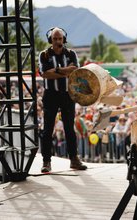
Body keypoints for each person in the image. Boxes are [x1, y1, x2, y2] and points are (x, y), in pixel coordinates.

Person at [38, 27, 87, 172]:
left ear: (64, 39)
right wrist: (64, 71)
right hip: (51, 95)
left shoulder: (71, 53)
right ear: (50, 40)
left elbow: (75, 70)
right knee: (47, 130)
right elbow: (45, 74)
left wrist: (57, 70)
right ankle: (46, 162)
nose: (58, 41)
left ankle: (74, 159)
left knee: (69, 129)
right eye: (55, 39)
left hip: (67, 95)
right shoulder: (44, 55)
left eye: (60, 39)